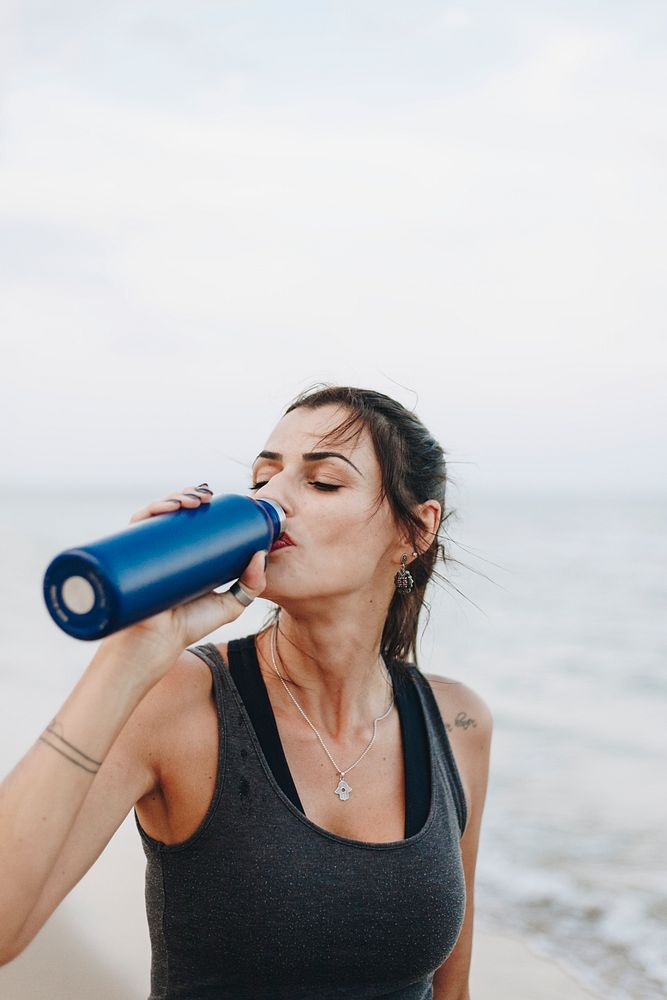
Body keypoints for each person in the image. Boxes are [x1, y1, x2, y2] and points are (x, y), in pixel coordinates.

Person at [0, 384, 492, 999]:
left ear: (415, 532)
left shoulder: (457, 721)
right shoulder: (178, 700)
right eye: (263, 478)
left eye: (324, 483)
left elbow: (452, 992)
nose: (272, 499)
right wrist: (128, 657)